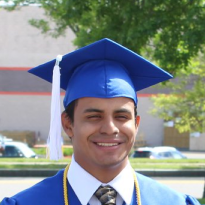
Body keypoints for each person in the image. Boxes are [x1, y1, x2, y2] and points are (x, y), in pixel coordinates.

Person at [1, 38, 201, 205]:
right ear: (68, 124)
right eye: (93, 117)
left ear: (136, 124)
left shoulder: (175, 202)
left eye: (121, 117)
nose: (110, 128)